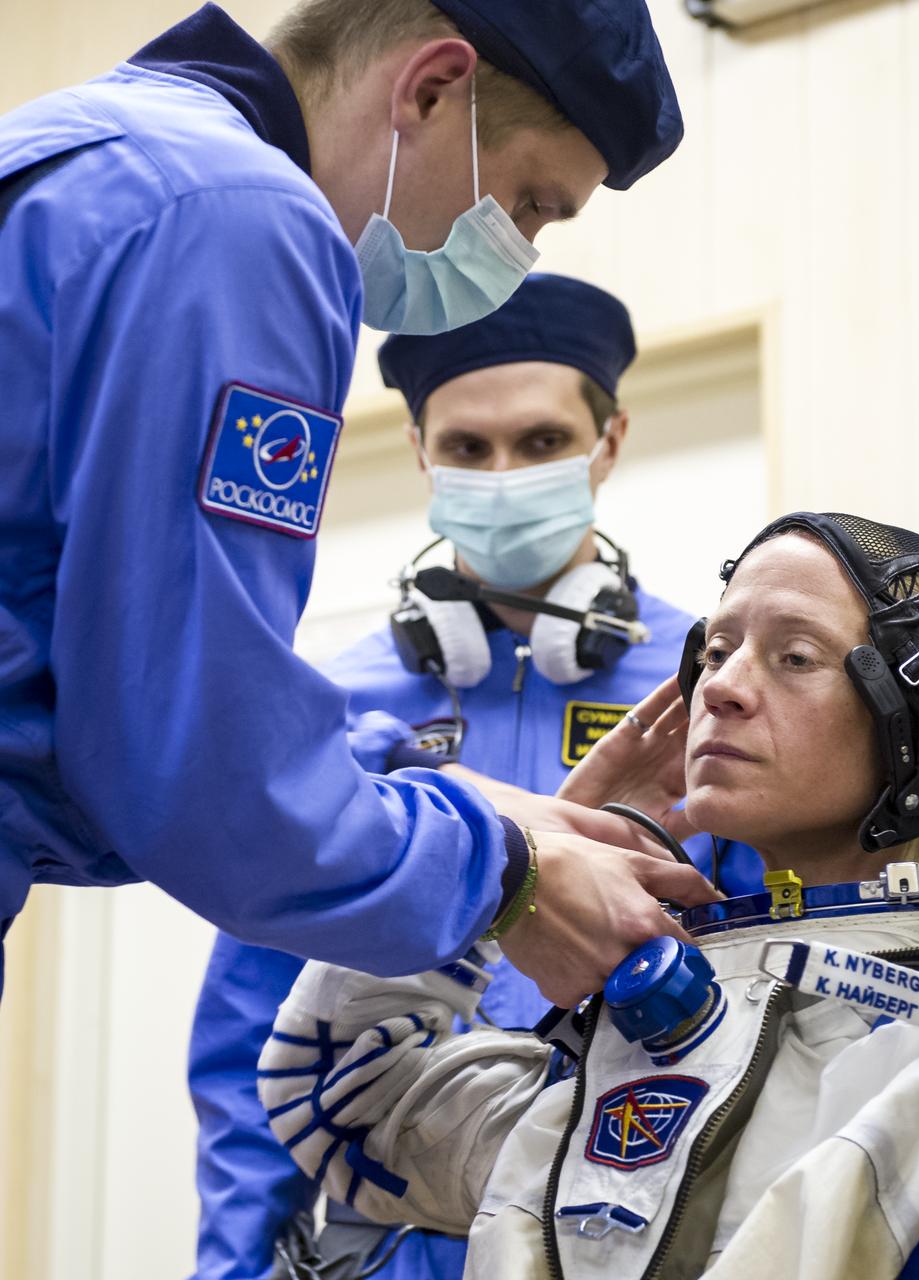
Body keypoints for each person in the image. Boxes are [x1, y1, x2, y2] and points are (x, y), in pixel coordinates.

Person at [262, 511, 919, 1277]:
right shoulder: (634, 1043)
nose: (721, 686)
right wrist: (527, 848)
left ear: (918, 723)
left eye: (791, 655)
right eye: (719, 648)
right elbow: (336, 1093)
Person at [0, 0, 716, 1017]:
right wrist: (505, 874)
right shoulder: (243, 223)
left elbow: (87, 684)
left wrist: (445, 792)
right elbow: (204, 774)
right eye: (528, 204)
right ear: (430, 88)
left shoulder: (85, 150)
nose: (519, 251)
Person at [188, 273, 763, 1280]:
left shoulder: (706, 685)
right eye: (466, 447)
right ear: (419, 453)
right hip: (389, 1230)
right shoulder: (332, 705)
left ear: (608, 442)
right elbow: (251, 1016)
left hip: (635, 1216)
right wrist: (236, 1262)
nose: (502, 473)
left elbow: (773, 975)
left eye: (540, 442)